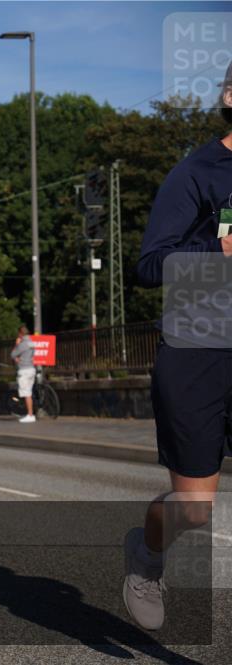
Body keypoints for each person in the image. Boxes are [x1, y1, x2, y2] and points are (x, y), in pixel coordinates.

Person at [122, 67, 232, 632]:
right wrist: (218, 253)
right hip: (198, 349)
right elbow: (148, 265)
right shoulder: (196, 172)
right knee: (193, 507)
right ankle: (147, 556)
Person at [11, 325, 37, 423]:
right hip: (31, 369)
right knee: (29, 392)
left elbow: (13, 354)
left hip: (24, 370)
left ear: (21, 334)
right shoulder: (31, 343)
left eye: (19, 334)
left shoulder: (23, 344)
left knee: (26, 393)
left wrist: (17, 344)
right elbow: (31, 355)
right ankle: (30, 413)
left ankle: (30, 415)